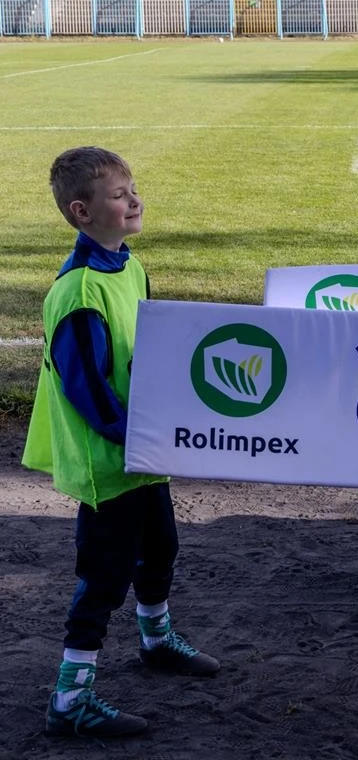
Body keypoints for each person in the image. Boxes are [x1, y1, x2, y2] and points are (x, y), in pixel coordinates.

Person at [23, 147, 220, 739]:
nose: (134, 200)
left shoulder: (130, 267)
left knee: (160, 549)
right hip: (109, 463)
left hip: (145, 453)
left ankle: (156, 641)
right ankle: (69, 699)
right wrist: (143, 435)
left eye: (133, 189)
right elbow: (88, 391)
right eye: (119, 194)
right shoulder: (79, 292)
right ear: (82, 212)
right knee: (103, 578)